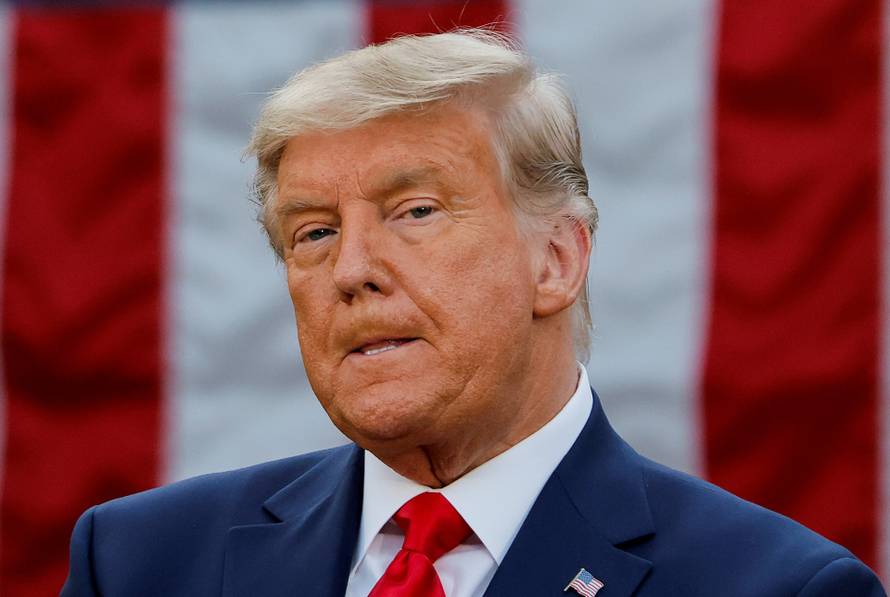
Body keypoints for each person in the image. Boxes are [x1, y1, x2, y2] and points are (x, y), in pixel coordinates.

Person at [62, 30, 885, 597]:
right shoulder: (138, 562)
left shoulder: (775, 584)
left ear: (556, 260)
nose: (352, 270)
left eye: (415, 211)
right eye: (313, 231)